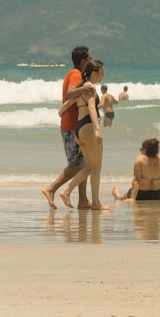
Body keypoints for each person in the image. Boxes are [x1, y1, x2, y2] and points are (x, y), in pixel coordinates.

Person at [41, 46, 94, 210]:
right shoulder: (75, 74)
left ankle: (83, 200)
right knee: (77, 165)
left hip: (74, 124)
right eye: (89, 58)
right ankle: (51, 189)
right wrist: (84, 88)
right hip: (71, 126)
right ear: (83, 61)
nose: (91, 60)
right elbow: (71, 93)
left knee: (83, 163)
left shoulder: (77, 74)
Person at [59, 60, 109, 211]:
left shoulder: (82, 87)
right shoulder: (91, 88)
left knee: (89, 167)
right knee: (97, 167)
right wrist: (98, 129)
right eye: (102, 72)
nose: (103, 75)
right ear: (94, 73)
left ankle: (67, 191)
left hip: (79, 129)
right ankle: (95, 202)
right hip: (88, 127)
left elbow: (68, 104)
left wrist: (61, 112)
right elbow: (92, 109)